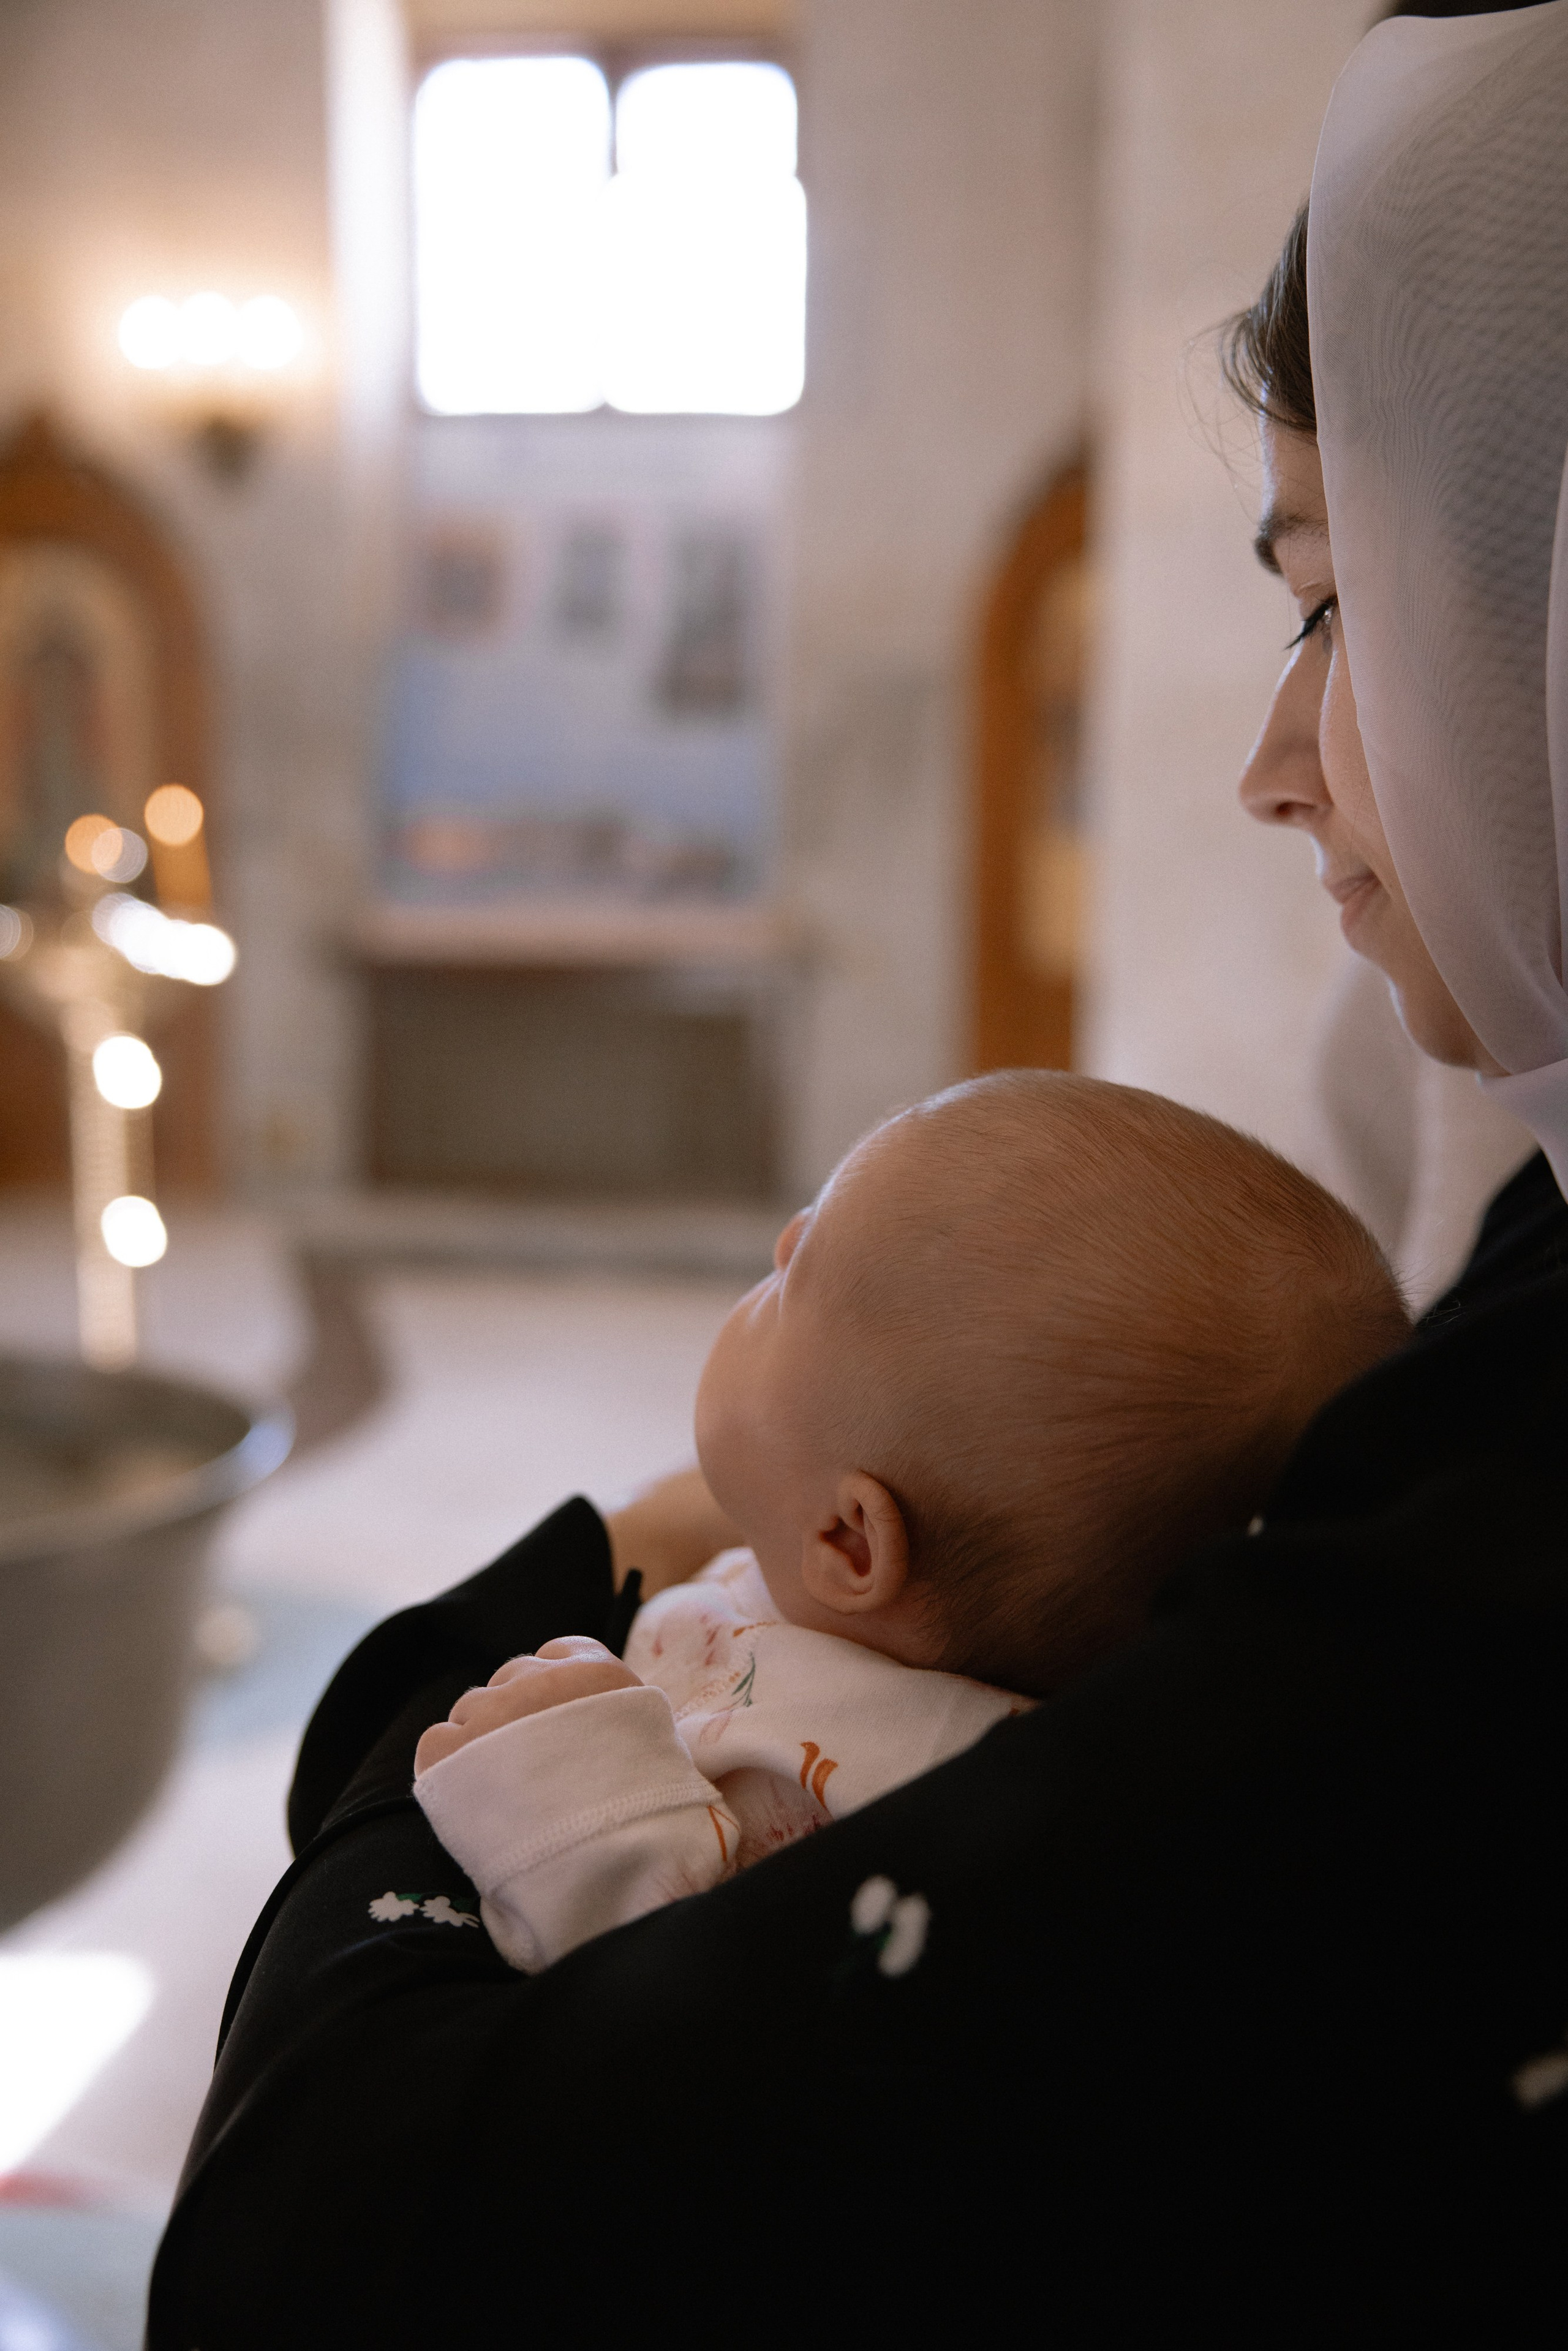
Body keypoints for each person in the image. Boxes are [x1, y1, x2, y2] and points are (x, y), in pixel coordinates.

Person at [149, 8, 1568, 2340]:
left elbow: (328, 2235)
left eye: (1340, 601)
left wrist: (587, 1595)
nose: (1268, 764)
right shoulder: (1500, 1275)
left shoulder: (1472, 1567)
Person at [409, 1072, 1406, 1976]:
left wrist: (561, 1782)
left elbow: (655, 2003)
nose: (785, 1239)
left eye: (797, 1279)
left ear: (849, 1541)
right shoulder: (867, 1622)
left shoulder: (888, 1793)